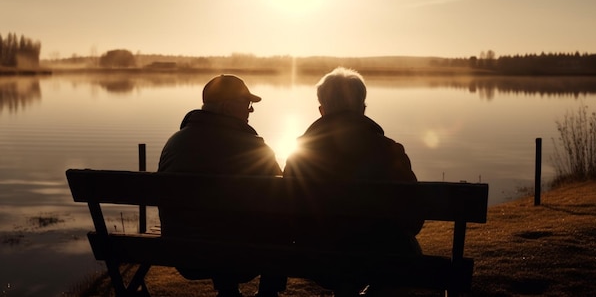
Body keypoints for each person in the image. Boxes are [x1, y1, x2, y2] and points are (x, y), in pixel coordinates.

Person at [283, 67, 423, 296]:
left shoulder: (300, 154)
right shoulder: (389, 151)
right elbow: (414, 217)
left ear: (322, 110)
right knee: (401, 248)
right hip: (379, 257)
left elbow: (287, 211)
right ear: (363, 108)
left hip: (317, 259)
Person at [158, 74, 286, 297]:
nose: (250, 112)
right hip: (241, 258)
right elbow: (285, 196)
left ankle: (228, 291)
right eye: (247, 105)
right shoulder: (253, 147)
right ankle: (268, 293)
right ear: (227, 108)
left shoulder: (175, 142)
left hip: (185, 256)